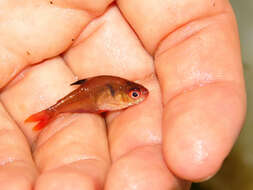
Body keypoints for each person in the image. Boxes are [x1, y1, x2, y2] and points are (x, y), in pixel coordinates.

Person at [0, 1, 246, 189]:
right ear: (124, 94)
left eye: (136, 93)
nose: (140, 96)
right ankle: (49, 114)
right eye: (136, 94)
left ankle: (49, 114)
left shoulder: (113, 89)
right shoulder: (109, 91)